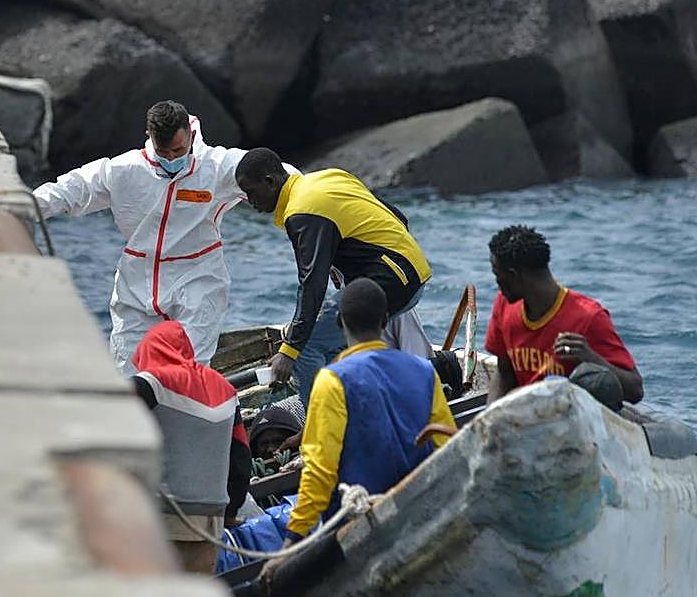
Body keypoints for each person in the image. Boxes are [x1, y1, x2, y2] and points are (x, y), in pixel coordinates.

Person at [33, 101, 251, 374]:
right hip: (136, 282)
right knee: (129, 372)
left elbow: (276, 176)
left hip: (198, 279)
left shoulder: (219, 167)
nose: (171, 159)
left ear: (192, 137)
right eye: (164, 152)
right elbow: (71, 190)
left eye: (178, 151)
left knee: (189, 373)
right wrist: (23, 207)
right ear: (149, 138)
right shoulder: (122, 170)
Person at [275, 279, 456, 549]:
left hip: (358, 530)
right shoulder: (425, 371)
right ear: (385, 320)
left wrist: (292, 540)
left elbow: (320, 472)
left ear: (339, 322)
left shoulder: (332, 380)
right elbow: (448, 448)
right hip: (421, 516)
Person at [235, 149, 433, 387]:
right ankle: (354, 402)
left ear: (270, 182)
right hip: (411, 272)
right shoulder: (328, 177)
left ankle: (322, 420)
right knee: (330, 345)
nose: (249, 201)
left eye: (250, 192)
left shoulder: (302, 211)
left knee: (305, 349)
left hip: (392, 282)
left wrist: (289, 350)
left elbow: (312, 283)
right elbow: (398, 217)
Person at [130, 321, 251, 575]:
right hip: (211, 521)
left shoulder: (149, 384)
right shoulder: (227, 391)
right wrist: (229, 513)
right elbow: (241, 460)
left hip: (163, 518)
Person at [485, 225, 643, 408]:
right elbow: (505, 373)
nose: (497, 284)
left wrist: (590, 357)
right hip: (528, 420)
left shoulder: (588, 317)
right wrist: (487, 420)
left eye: (497, 275)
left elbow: (635, 391)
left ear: (513, 275)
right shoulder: (503, 305)